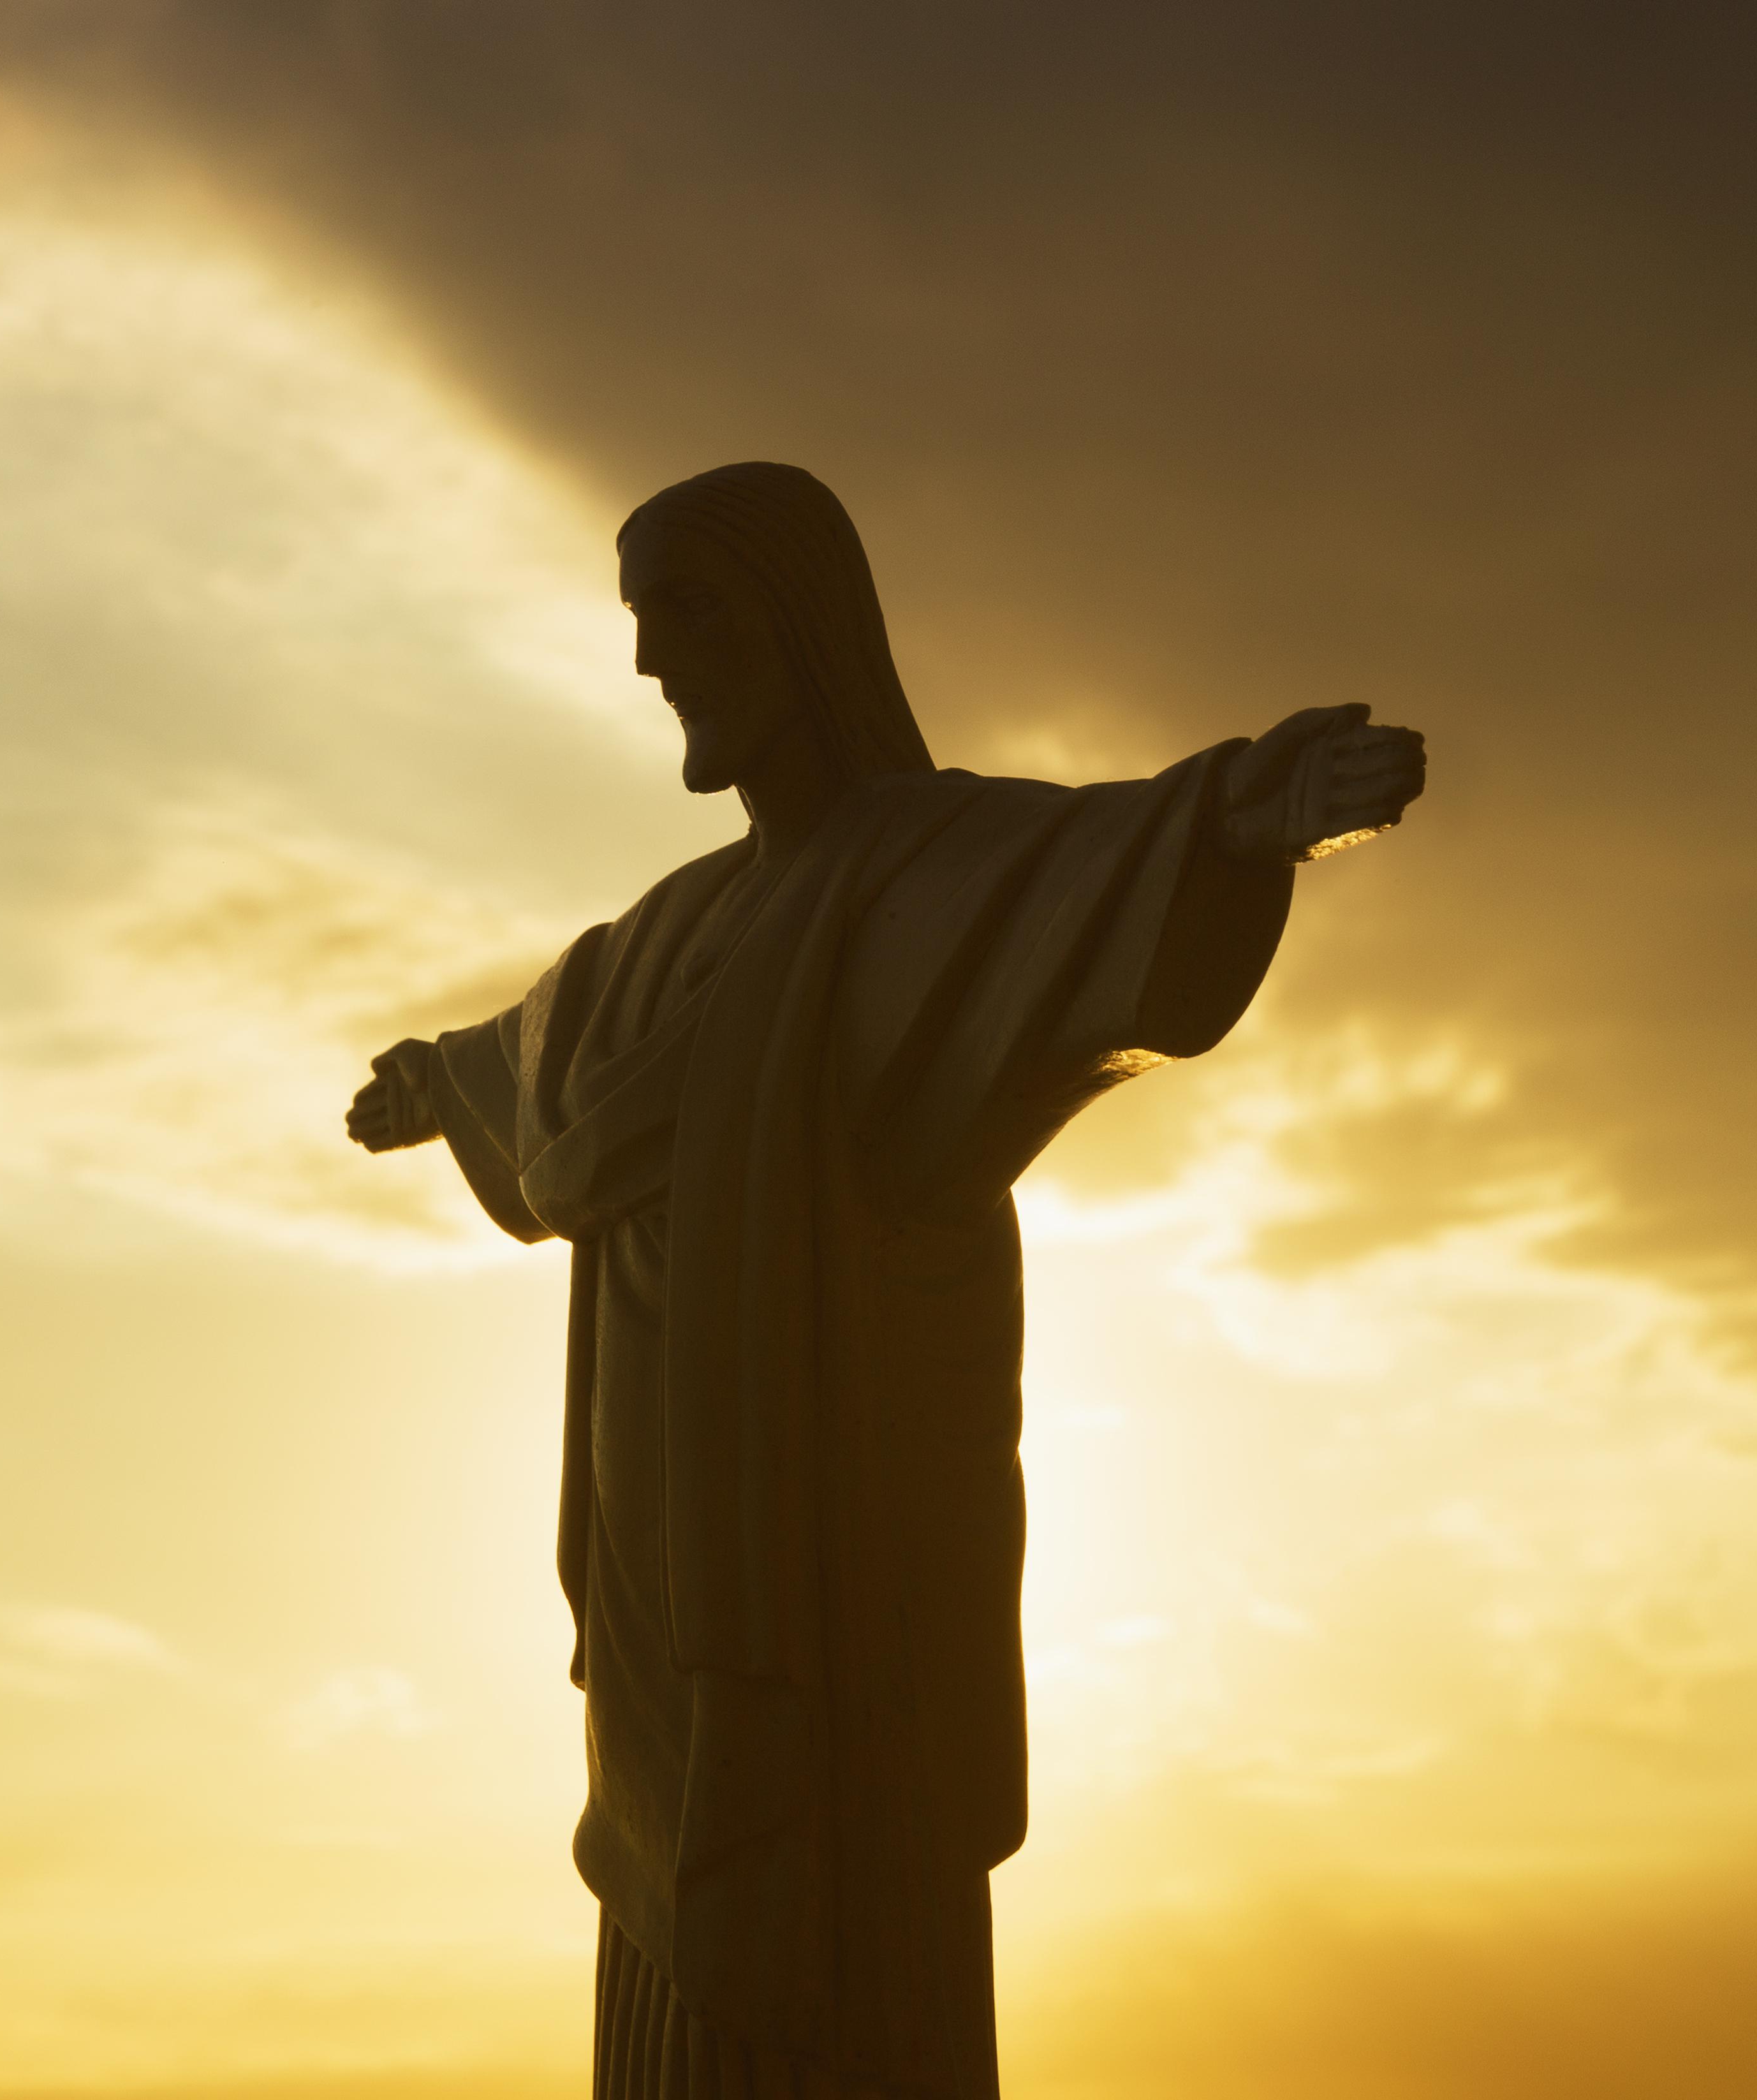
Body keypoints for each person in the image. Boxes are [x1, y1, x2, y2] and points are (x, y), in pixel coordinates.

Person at [348, 462, 1425, 2099]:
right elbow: (532, 1068)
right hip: (655, 1608)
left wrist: (1241, 814)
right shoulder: (662, 937)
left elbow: (1093, 868)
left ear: (798, 623)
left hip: (823, 1591)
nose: (652, 662)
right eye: (638, 622)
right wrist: (438, 1083)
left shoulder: (918, 872)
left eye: (688, 613)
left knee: (827, 1980)